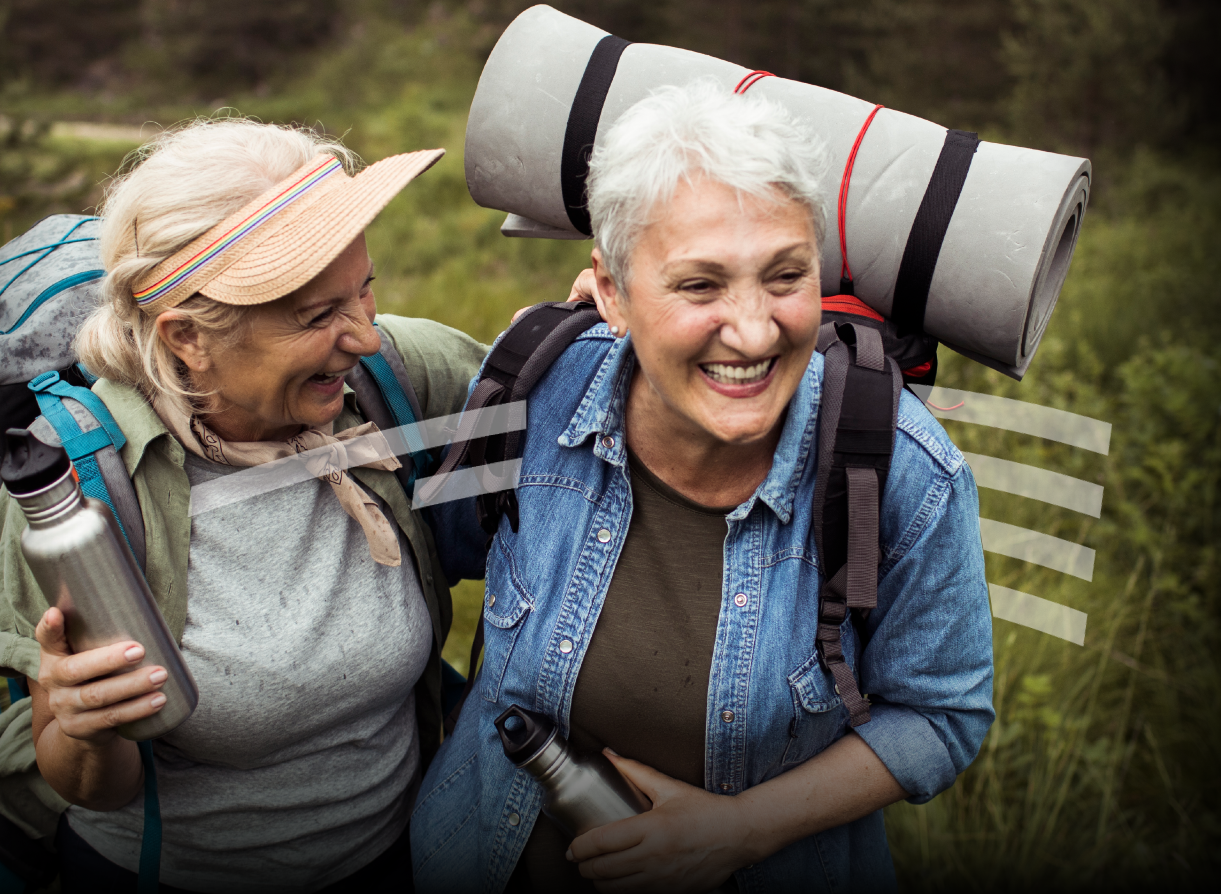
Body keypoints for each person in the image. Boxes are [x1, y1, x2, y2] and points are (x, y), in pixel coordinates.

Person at [409, 82, 996, 894]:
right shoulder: (532, 396)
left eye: (785, 277)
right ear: (611, 293)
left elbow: (941, 716)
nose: (754, 332)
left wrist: (739, 833)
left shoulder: (901, 470)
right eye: (700, 286)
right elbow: (427, 563)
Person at [0, 120, 488, 893]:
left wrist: (612, 316)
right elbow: (91, 783)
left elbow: (587, 410)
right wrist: (82, 728)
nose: (365, 337)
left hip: (401, 860)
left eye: (364, 289)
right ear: (187, 337)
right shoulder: (77, 487)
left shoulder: (395, 385)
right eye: (317, 316)